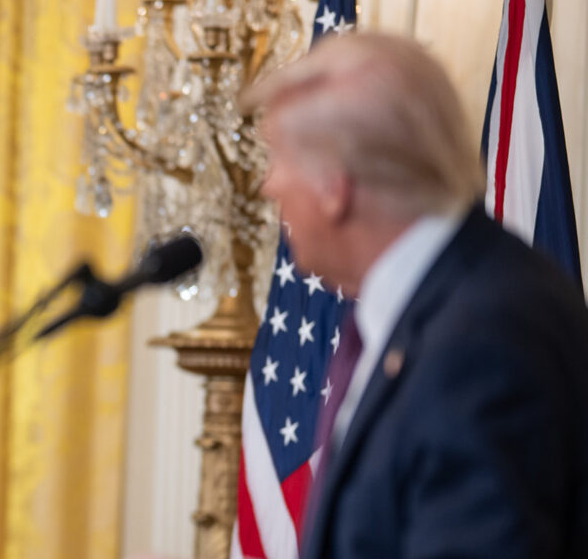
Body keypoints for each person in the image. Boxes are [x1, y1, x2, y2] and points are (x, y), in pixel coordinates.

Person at [243, 32, 588, 558]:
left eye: (279, 159)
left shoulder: (487, 334)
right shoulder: (424, 310)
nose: (269, 186)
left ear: (335, 185)